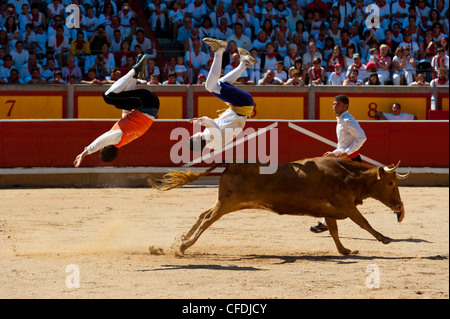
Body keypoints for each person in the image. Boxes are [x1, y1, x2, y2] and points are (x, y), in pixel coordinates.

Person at [74, 55, 159, 167]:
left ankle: (136, 73)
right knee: (108, 97)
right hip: (146, 103)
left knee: (118, 102)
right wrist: (84, 153)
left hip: (149, 105)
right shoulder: (116, 138)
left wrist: (133, 79)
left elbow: (127, 109)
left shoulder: (123, 140)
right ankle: (135, 69)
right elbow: (100, 141)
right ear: (105, 147)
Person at [310, 95, 367, 233]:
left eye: (338, 104)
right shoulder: (342, 120)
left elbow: (362, 137)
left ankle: (396, 206)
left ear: (345, 106)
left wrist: (346, 152)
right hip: (345, 161)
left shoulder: (348, 120)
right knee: (333, 191)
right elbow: (343, 145)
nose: (334, 106)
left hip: (352, 162)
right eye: (334, 104)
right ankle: (325, 222)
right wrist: (334, 153)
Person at [188, 37, 256, 152]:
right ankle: (219, 51)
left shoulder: (212, 144)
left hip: (241, 108)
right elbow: (213, 125)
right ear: (198, 138)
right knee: (210, 86)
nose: (195, 133)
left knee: (220, 83)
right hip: (242, 105)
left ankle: (244, 63)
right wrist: (201, 121)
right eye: (194, 135)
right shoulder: (211, 136)